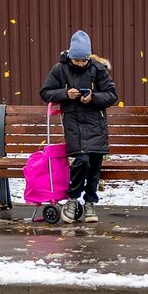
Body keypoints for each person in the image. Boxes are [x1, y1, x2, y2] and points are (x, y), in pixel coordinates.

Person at [39, 30, 119, 223]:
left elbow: (112, 95)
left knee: (95, 164)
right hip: (73, 123)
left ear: (88, 57)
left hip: (96, 123)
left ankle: (90, 203)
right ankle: (73, 199)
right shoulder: (60, 69)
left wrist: (93, 97)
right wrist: (66, 94)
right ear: (71, 57)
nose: (81, 64)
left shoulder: (98, 69)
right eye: (77, 61)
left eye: (84, 61)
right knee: (82, 160)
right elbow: (45, 92)